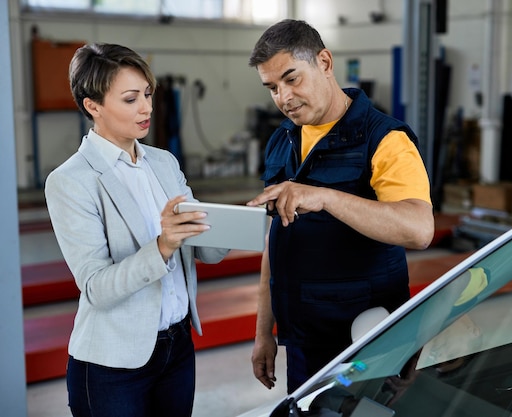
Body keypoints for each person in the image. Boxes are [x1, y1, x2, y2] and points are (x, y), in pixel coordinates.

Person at [246, 19, 435, 394]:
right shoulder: (281, 141)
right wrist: (264, 331)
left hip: (366, 339)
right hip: (302, 339)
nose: (283, 97)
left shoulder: (385, 139)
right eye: (272, 88)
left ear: (325, 63)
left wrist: (327, 197)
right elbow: (276, 238)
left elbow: (419, 229)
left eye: (292, 79)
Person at [44, 43, 230, 417]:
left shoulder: (163, 162)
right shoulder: (71, 181)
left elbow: (207, 250)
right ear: (92, 106)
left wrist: (240, 219)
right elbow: (96, 287)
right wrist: (162, 247)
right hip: (112, 363)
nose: (146, 108)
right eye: (130, 99)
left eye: (147, 94)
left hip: (177, 347)